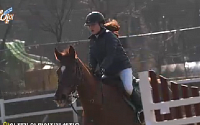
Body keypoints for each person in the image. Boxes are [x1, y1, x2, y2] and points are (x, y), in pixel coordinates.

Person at [85, 11, 143, 123]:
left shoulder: (109, 36)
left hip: (122, 68)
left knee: (128, 88)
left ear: (100, 24)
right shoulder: (92, 41)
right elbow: (92, 57)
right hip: (108, 71)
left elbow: (110, 55)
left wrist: (102, 69)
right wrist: (91, 70)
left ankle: (141, 109)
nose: (91, 28)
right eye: (89, 26)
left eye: (93, 25)